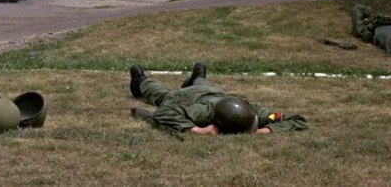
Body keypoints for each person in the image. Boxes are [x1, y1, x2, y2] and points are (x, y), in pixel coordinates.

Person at [128, 62, 307, 135]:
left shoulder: (252, 111)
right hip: (183, 97)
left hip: (210, 91)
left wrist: (266, 129)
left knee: (203, 83)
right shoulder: (199, 113)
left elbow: (298, 120)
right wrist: (195, 129)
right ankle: (140, 79)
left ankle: (198, 75)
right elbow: (163, 113)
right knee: (160, 93)